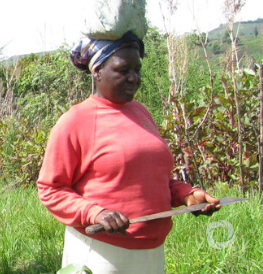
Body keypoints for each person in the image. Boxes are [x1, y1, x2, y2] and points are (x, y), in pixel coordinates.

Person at [37, 31, 221, 273]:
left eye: (137, 70)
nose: (134, 78)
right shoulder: (76, 121)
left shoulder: (141, 113)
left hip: (151, 251)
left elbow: (157, 178)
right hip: (101, 252)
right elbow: (51, 188)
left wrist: (188, 196)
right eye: (123, 70)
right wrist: (96, 213)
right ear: (97, 71)